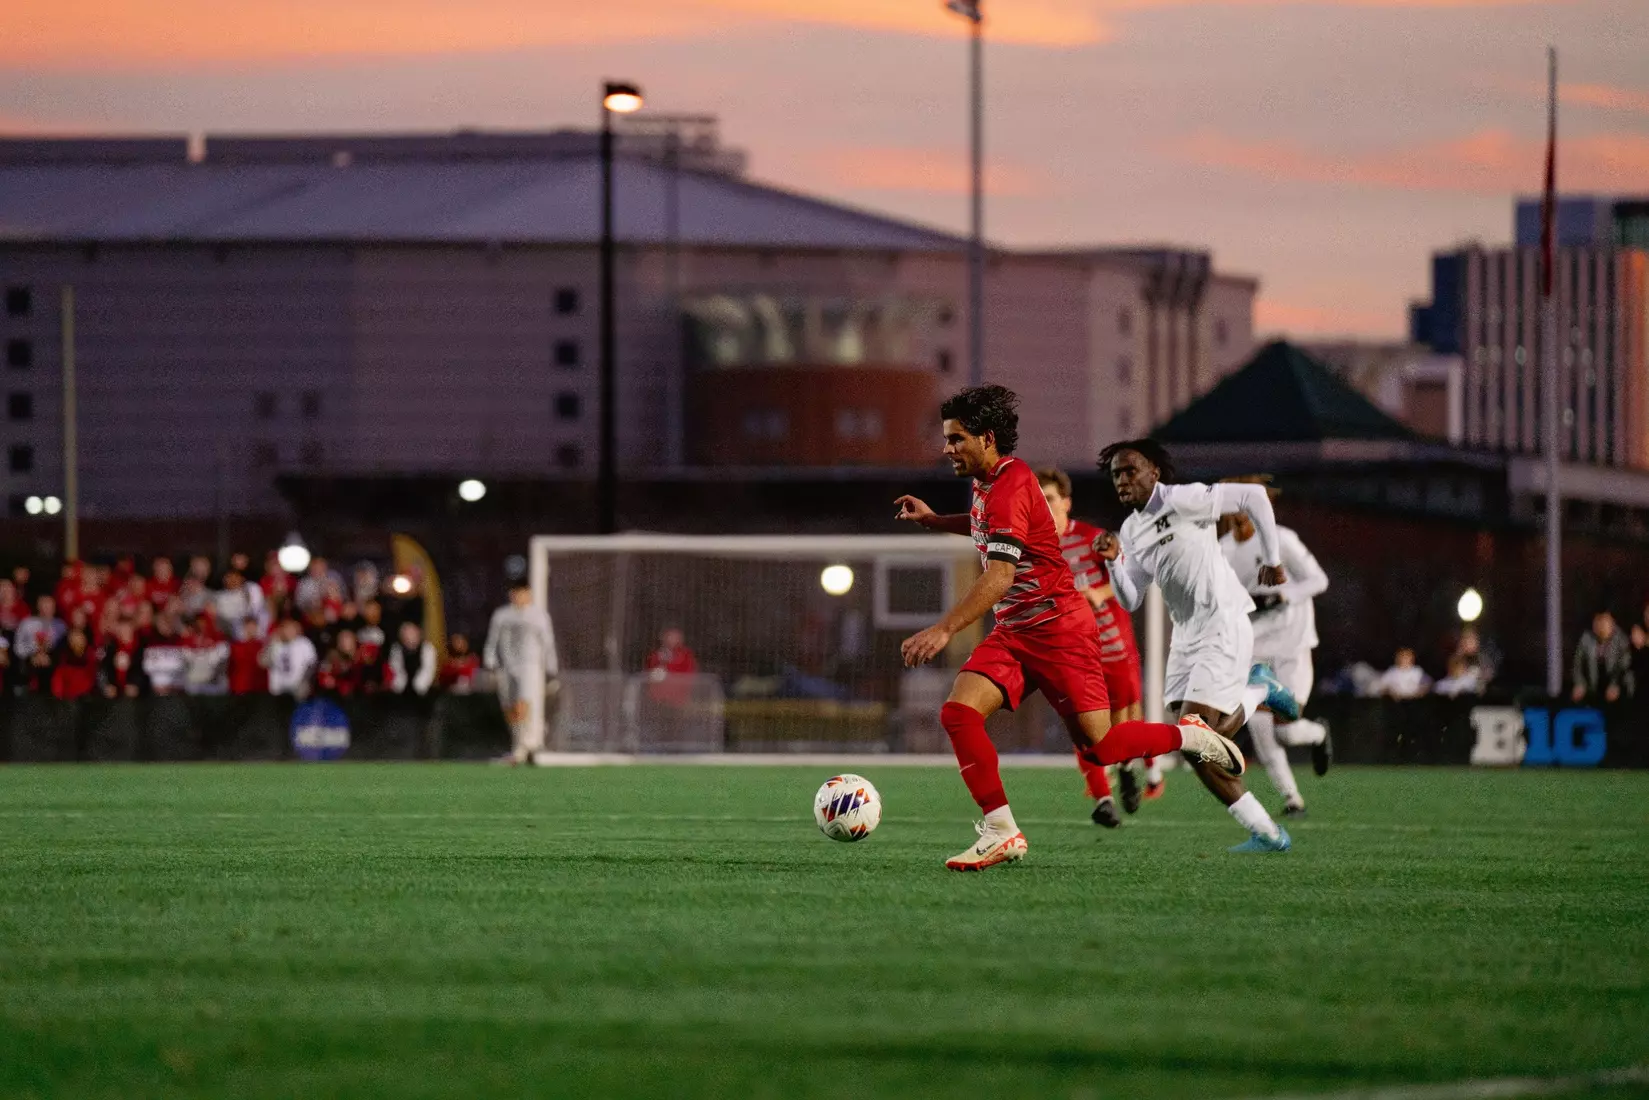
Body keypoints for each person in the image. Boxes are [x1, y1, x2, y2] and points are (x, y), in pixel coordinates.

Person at [1093, 438, 1296, 853]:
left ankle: (1259, 690)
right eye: (1116, 474)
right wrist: (1114, 561)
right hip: (1186, 634)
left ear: (1154, 470)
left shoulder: (1184, 498)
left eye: (1130, 469)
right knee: (1195, 748)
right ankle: (1267, 832)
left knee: (1194, 733)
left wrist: (1272, 560)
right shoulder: (1131, 529)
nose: (1122, 479)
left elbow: (1254, 496)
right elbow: (1132, 598)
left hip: (1222, 621)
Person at [1035, 467, 1146, 827]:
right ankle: (1102, 798)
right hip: (1070, 652)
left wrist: (1100, 592)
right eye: (1038, 499)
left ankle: (1129, 765)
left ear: (1065, 502)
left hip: (1113, 645)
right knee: (1081, 725)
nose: (1043, 505)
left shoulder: (1093, 538)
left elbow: (1134, 576)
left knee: (1122, 721)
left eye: (1049, 498)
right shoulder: (1032, 547)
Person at [1219, 495, 1332, 818]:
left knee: (1287, 729)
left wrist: (1283, 595)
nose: (1239, 514)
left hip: (1293, 643)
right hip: (1255, 647)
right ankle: (1292, 799)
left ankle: (1319, 733)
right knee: (1260, 727)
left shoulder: (1281, 539)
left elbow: (1319, 580)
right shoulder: (1223, 551)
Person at [483, 582, 560, 765]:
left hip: (531, 667)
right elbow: (492, 640)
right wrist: (490, 662)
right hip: (508, 667)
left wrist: (551, 669)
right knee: (510, 707)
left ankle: (530, 745)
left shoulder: (538, 616)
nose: (519, 596)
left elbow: (547, 643)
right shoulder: (502, 615)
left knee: (525, 704)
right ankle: (519, 745)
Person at [1572, 610, 1631, 705]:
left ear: (1612, 623)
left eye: (1605, 621)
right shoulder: (1586, 638)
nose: (1601, 626)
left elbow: (1625, 667)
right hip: (1592, 688)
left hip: (1618, 686)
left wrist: (1615, 685)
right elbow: (1577, 665)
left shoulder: (1622, 639)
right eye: (1598, 621)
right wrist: (1580, 684)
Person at [645, 626, 699, 707]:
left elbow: (689, 672)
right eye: (669, 636)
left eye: (675, 637)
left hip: (678, 698)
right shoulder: (657, 654)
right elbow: (651, 671)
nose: (672, 639)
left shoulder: (686, 654)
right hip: (659, 698)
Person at [387, 621, 437, 696]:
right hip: (401, 692)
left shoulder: (427, 649)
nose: (409, 637)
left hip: (422, 692)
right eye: (405, 635)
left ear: (418, 634)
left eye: (412, 633)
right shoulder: (397, 650)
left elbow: (428, 670)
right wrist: (399, 687)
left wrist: (419, 687)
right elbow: (395, 669)